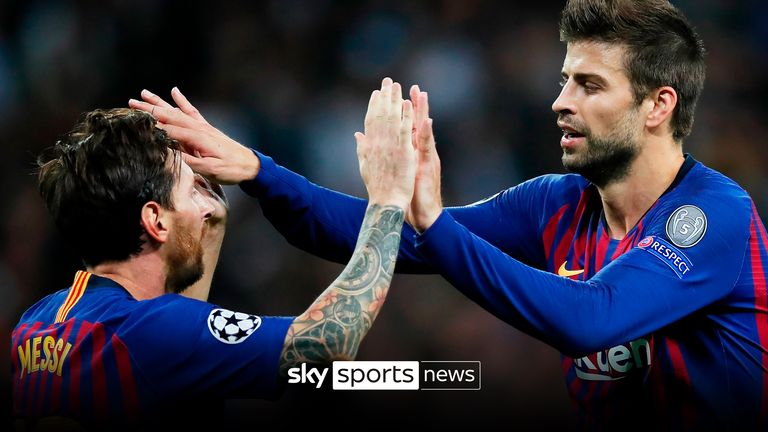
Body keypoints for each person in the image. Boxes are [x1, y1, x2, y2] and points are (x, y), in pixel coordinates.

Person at [130, 2, 768, 429]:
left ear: (659, 106)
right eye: (565, 79)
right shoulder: (554, 203)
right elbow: (379, 241)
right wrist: (261, 174)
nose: (559, 101)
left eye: (589, 85)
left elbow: (589, 319)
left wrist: (435, 223)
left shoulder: (712, 216)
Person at [12, 82, 416, 427]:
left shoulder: (36, 325)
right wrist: (388, 199)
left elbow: (182, 362)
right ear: (155, 220)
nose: (204, 204)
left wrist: (212, 220)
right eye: (192, 190)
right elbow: (328, 343)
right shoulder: (150, 332)